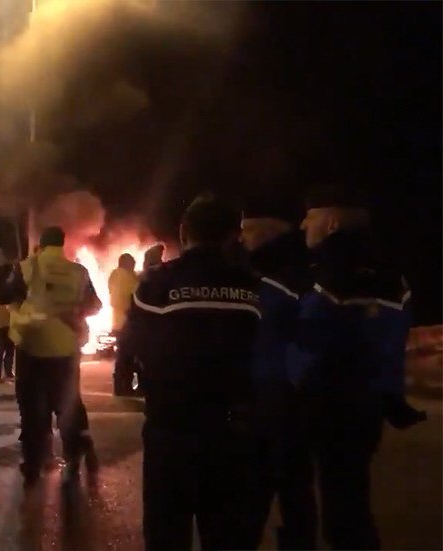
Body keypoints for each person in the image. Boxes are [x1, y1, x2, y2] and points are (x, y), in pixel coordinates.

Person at [116, 194, 260, 550]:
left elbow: (132, 343)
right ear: (233, 236)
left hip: (170, 428)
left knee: (166, 531)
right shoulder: (253, 287)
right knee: (226, 533)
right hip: (232, 430)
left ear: (183, 233)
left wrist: (126, 383)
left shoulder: (156, 284)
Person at [292, 185, 426, 549]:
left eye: (312, 216)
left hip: (325, 406)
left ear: (332, 223)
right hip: (365, 410)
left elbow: (309, 343)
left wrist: (291, 394)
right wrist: (391, 399)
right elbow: (391, 345)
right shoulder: (391, 277)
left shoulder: (325, 274)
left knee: (335, 512)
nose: (304, 225)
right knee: (350, 501)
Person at [0, 226, 102, 487]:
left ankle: (33, 463)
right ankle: (74, 457)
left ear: (42, 245)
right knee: (67, 402)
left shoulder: (27, 267)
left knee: (31, 405)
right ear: (62, 244)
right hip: (66, 348)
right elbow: (95, 305)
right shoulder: (79, 271)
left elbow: (4, 295)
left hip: (32, 346)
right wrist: (71, 311)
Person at [239, 195, 316, 549]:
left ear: (269, 233)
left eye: (248, 230)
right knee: (294, 496)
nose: (241, 238)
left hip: (275, 401)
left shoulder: (277, 281)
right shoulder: (282, 273)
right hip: (283, 401)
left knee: (260, 496)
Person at [108, 253, 139, 395]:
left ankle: (121, 386)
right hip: (127, 321)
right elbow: (128, 297)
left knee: (123, 356)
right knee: (127, 356)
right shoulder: (125, 277)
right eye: (132, 263)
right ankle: (123, 387)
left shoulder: (114, 276)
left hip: (118, 321)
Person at [0, 246, 16, 379]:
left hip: (5, 315)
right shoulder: (11, 273)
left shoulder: (6, 274)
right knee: (7, 344)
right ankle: (4, 370)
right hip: (9, 315)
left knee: (4, 344)